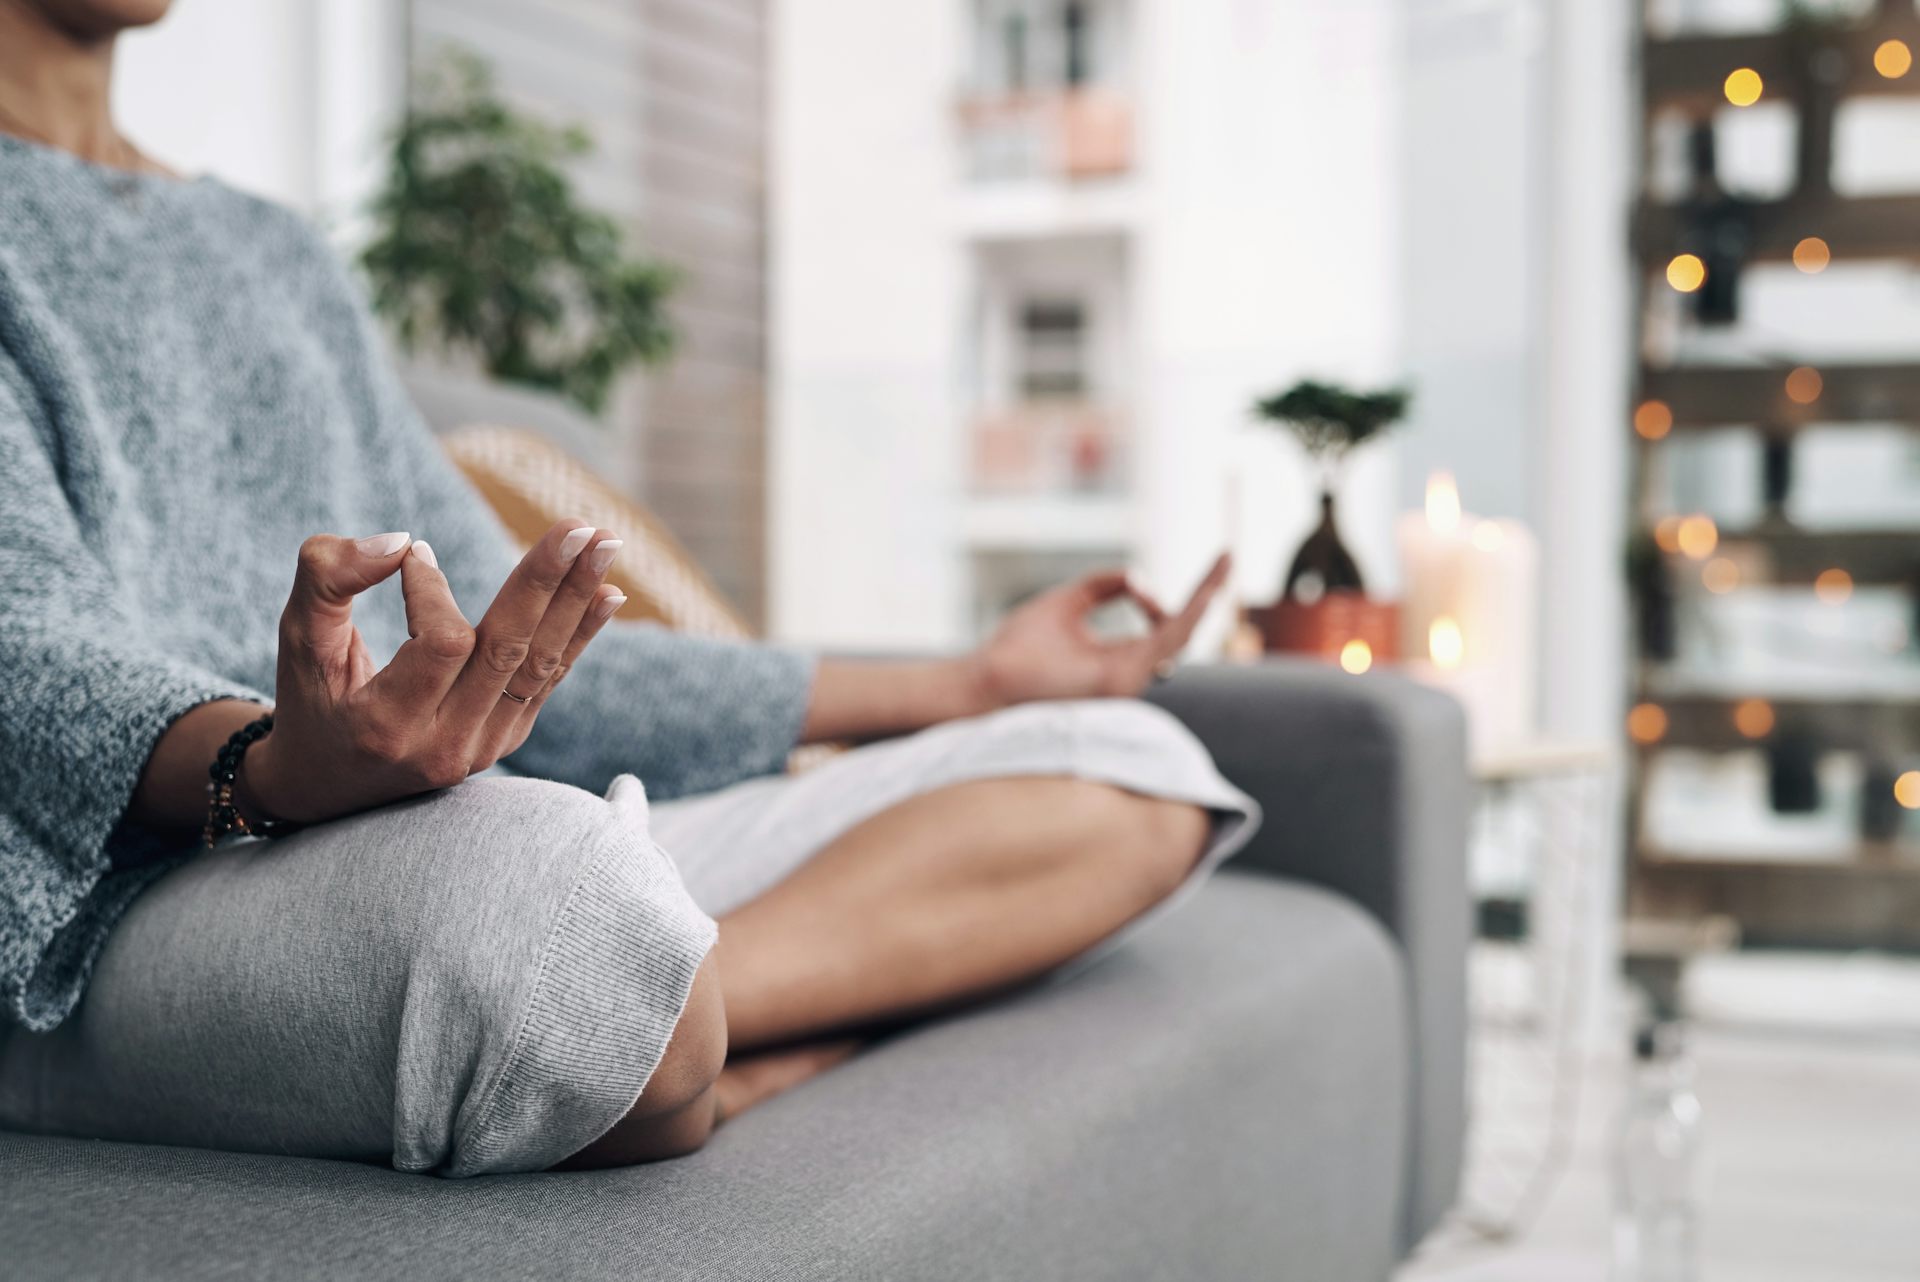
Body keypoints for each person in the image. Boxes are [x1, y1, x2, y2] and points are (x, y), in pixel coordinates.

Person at [0, 0, 1258, 1175]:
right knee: (552, 914)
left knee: (1129, 765)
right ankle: (669, 1014)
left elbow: (514, 646)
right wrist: (267, 768)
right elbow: (26, 647)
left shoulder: (277, 257)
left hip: (418, 831)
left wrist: (970, 683)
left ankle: (684, 1019)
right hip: (109, 906)